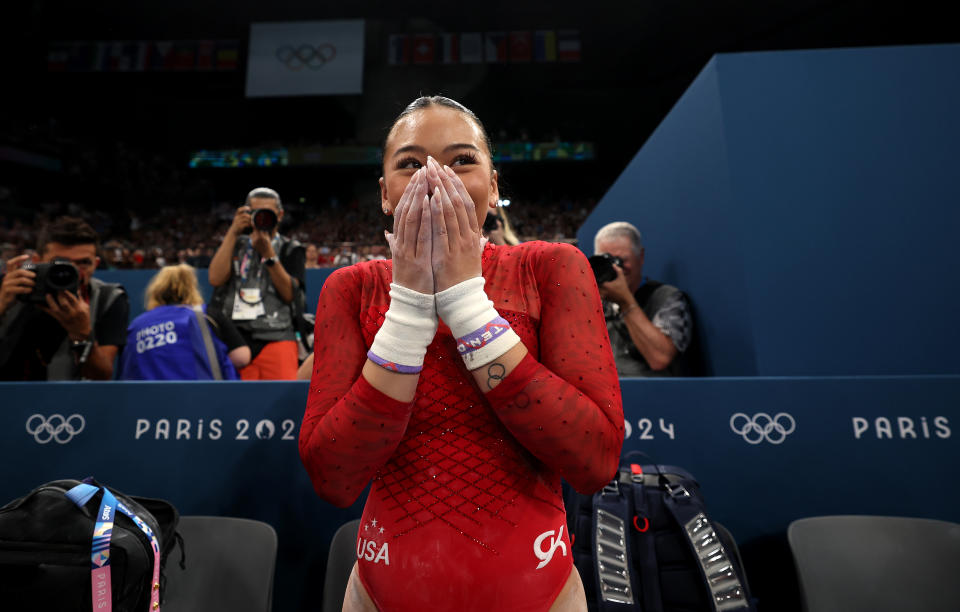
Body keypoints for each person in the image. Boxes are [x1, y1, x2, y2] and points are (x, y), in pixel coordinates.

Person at [299, 96, 624, 612]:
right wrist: (406, 309)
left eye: (461, 160)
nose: (434, 176)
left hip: (542, 596)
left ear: (493, 187)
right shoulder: (351, 289)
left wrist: (466, 303)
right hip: (380, 597)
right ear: (385, 194)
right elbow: (334, 477)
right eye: (410, 163)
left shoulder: (550, 267)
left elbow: (594, 460)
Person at [0, 216, 128, 380]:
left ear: (95, 264)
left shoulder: (107, 298)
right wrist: (1, 305)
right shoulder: (11, 288)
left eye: (84, 263)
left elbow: (100, 376)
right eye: (61, 263)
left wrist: (82, 334)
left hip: (70, 401)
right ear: (38, 261)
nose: (74, 272)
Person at [208, 187, 305, 380]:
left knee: (282, 404)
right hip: (235, 338)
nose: (262, 217)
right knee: (239, 407)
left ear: (280, 215)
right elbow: (215, 279)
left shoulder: (291, 249)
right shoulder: (235, 243)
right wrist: (233, 231)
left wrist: (269, 255)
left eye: (267, 212)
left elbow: (290, 295)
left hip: (277, 334)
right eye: (255, 212)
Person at [593, 221, 694, 376]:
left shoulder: (666, 298)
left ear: (640, 257)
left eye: (621, 260)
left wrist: (625, 301)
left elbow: (660, 358)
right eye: (606, 262)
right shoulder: (593, 304)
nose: (616, 269)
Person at [117, 264, 249, 380]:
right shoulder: (207, 315)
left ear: (156, 290)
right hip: (203, 398)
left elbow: (127, 371)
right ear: (191, 288)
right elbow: (242, 357)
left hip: (149, 401)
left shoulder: (137, 325)